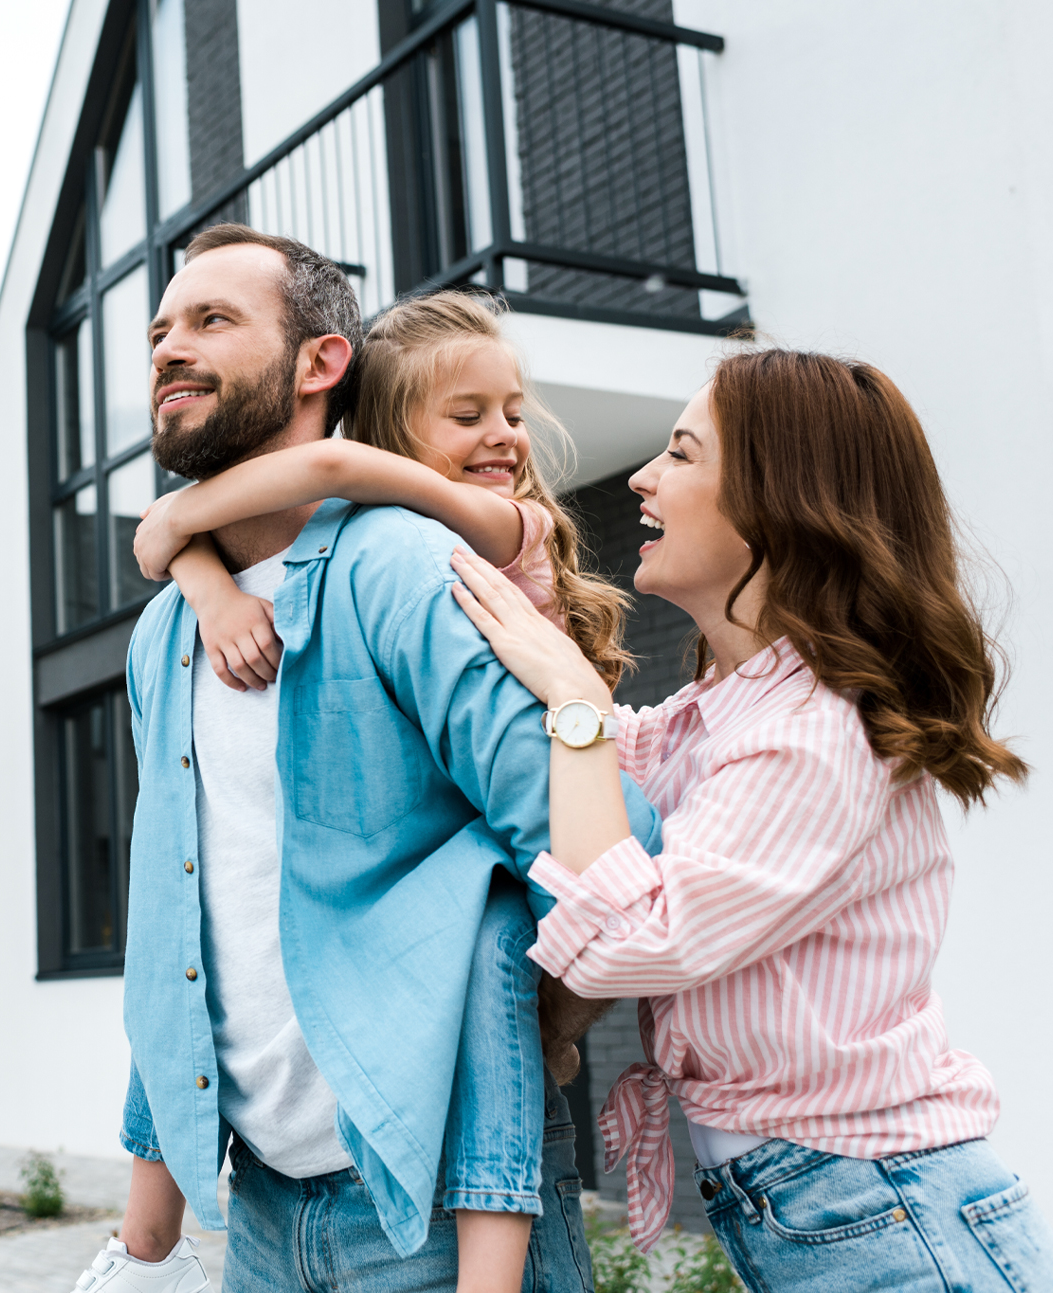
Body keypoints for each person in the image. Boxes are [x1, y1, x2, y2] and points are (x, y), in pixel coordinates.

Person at [72, 224, 660, 1293]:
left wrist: (539, 1027)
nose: (168, 348)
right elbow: (178, 932)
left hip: (440, 1215)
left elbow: (599, 848)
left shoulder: (404, 567)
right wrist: (144, 1239)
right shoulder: (165, 632)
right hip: (259, 1214)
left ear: (321, 363)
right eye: (159, 331)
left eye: (212, 320)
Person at [448, 349, 1053, 1291]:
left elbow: (623, 940)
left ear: (780, 503)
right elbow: (604, 765)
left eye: (682, 453)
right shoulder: (728, 708)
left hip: (883, 1212)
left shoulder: (815, 731)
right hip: (843, 1203)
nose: (643, 477)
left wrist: (573, 698)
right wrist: (533, 613)